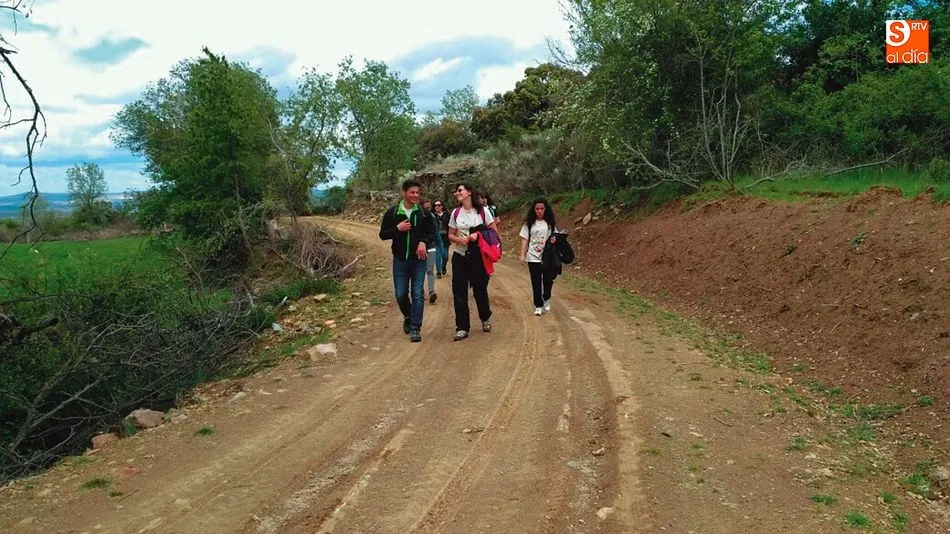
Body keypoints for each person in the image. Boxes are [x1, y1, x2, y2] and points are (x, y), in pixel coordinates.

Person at [378, 179, 435, 342]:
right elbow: (382, 235)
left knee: (417, 293)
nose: (415, 195)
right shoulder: (393, 213)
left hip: (419, 260)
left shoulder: (424, 213)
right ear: (404, 193)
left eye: (417, 193)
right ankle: (408, 316)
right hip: (400, 260)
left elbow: (432, 233)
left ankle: (416, 328)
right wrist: (397, 229)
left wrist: (424, 242)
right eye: (412, 192)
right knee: (401, 293)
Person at [448, 183, 496, 341]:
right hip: (460, 256)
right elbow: (450, 234)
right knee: (459, 292)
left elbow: (493, 232)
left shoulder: (483, 211)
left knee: (480, 290)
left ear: (469, 192)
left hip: (479, 257)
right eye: (456, 191)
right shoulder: (455, 213)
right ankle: (462, 327)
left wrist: (478, 236)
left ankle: (485, 317)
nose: (457, 193)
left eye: (460, 190)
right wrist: (458, 239)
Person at [519, 197, 559, 316]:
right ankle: (538, 305)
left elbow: (555, 236)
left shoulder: (550, 223)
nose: (539, 211)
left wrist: (554, 239)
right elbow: (525, 239)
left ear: (546, 209)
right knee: (535, 282)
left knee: (547, 280)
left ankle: (546, 297)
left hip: (547, 257)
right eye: (537, 209)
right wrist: (522, 254)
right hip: (533, 256)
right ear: (534, 209)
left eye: (542, 208)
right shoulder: (529, 224)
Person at [420, 199, 441, 304]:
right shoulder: (415, 216)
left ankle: (431, 291)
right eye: (426, 207)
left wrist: (439, 244)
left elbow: (435, 232)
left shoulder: (432, 217)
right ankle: (421, 292)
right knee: (420, 271)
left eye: (429, 207)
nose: (428, 209)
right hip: (419, 248)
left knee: (429, 270)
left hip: (431, 246)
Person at [432, 199, 450, 277]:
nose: (437, 207)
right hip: (436, 237)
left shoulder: (447, 215)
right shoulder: (432, 215)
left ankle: (443, 266)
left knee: (445, 255)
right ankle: (438, 272)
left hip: (445, 237)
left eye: (438, 205)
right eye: (435, 205)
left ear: (442, 206)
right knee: (438, 255)